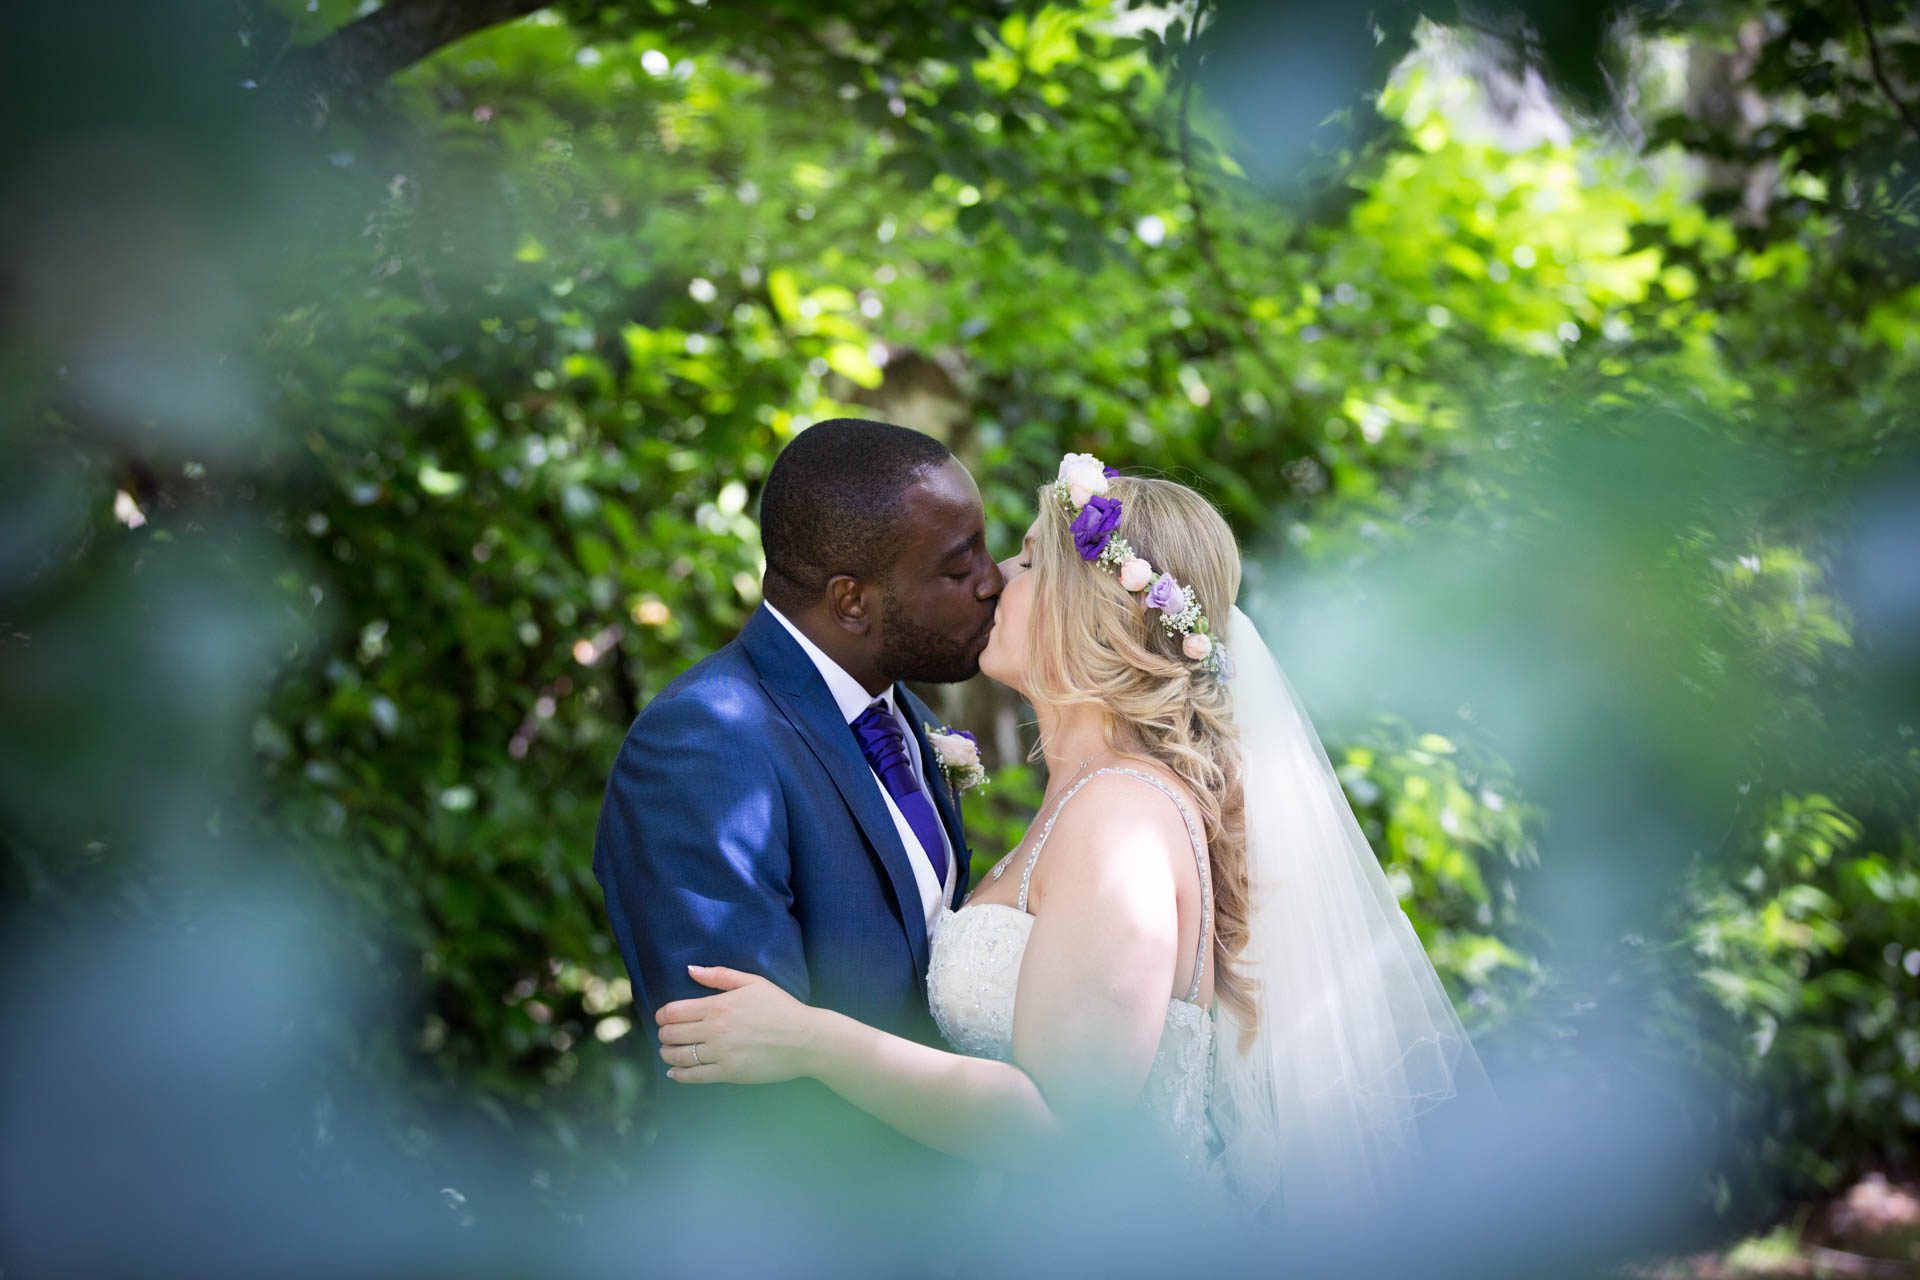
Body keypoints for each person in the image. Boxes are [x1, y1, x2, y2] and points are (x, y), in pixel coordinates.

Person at [653, 454, 1485, 1230]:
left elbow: (1064, 1128)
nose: (994, 584)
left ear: (1090, 607)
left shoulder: (1118, 821)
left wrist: (812, 1041)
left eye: (1022, 562)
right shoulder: (1086, 800)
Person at [591, 417, 1001, 1189]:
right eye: (957, 567)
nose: (992, 580)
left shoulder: (902, 714)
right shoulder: (708, 744)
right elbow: (742, 1086)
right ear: (851, 601)